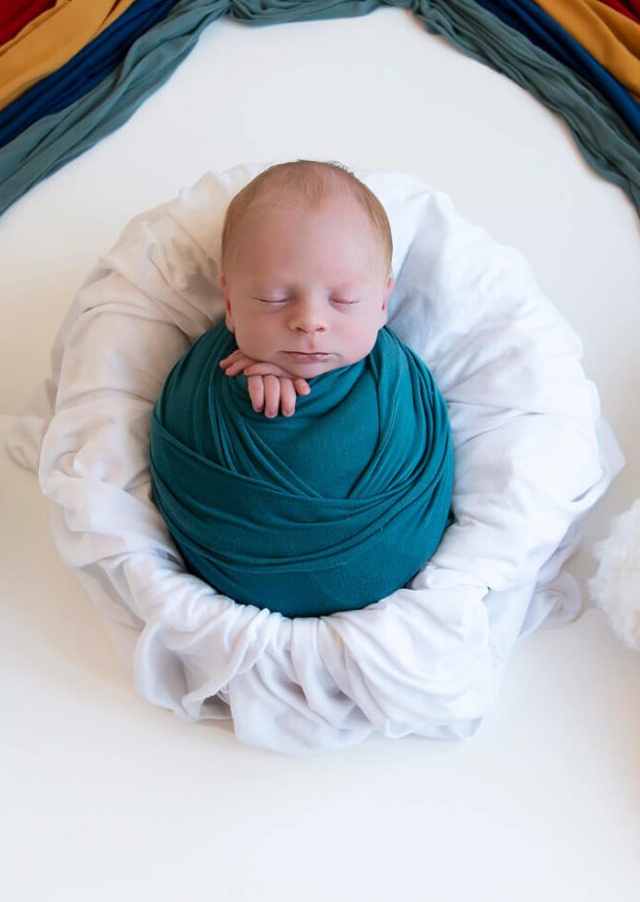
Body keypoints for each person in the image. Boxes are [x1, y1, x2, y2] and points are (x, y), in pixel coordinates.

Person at [145, 161, 455, 617]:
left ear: (383, 302)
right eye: (273, 298)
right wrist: (238, 401)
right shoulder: (203, 382)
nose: (309, 321)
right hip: (234, 565)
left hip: (388, 547)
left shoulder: (401, 387)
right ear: (229, 304)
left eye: (345, 300)